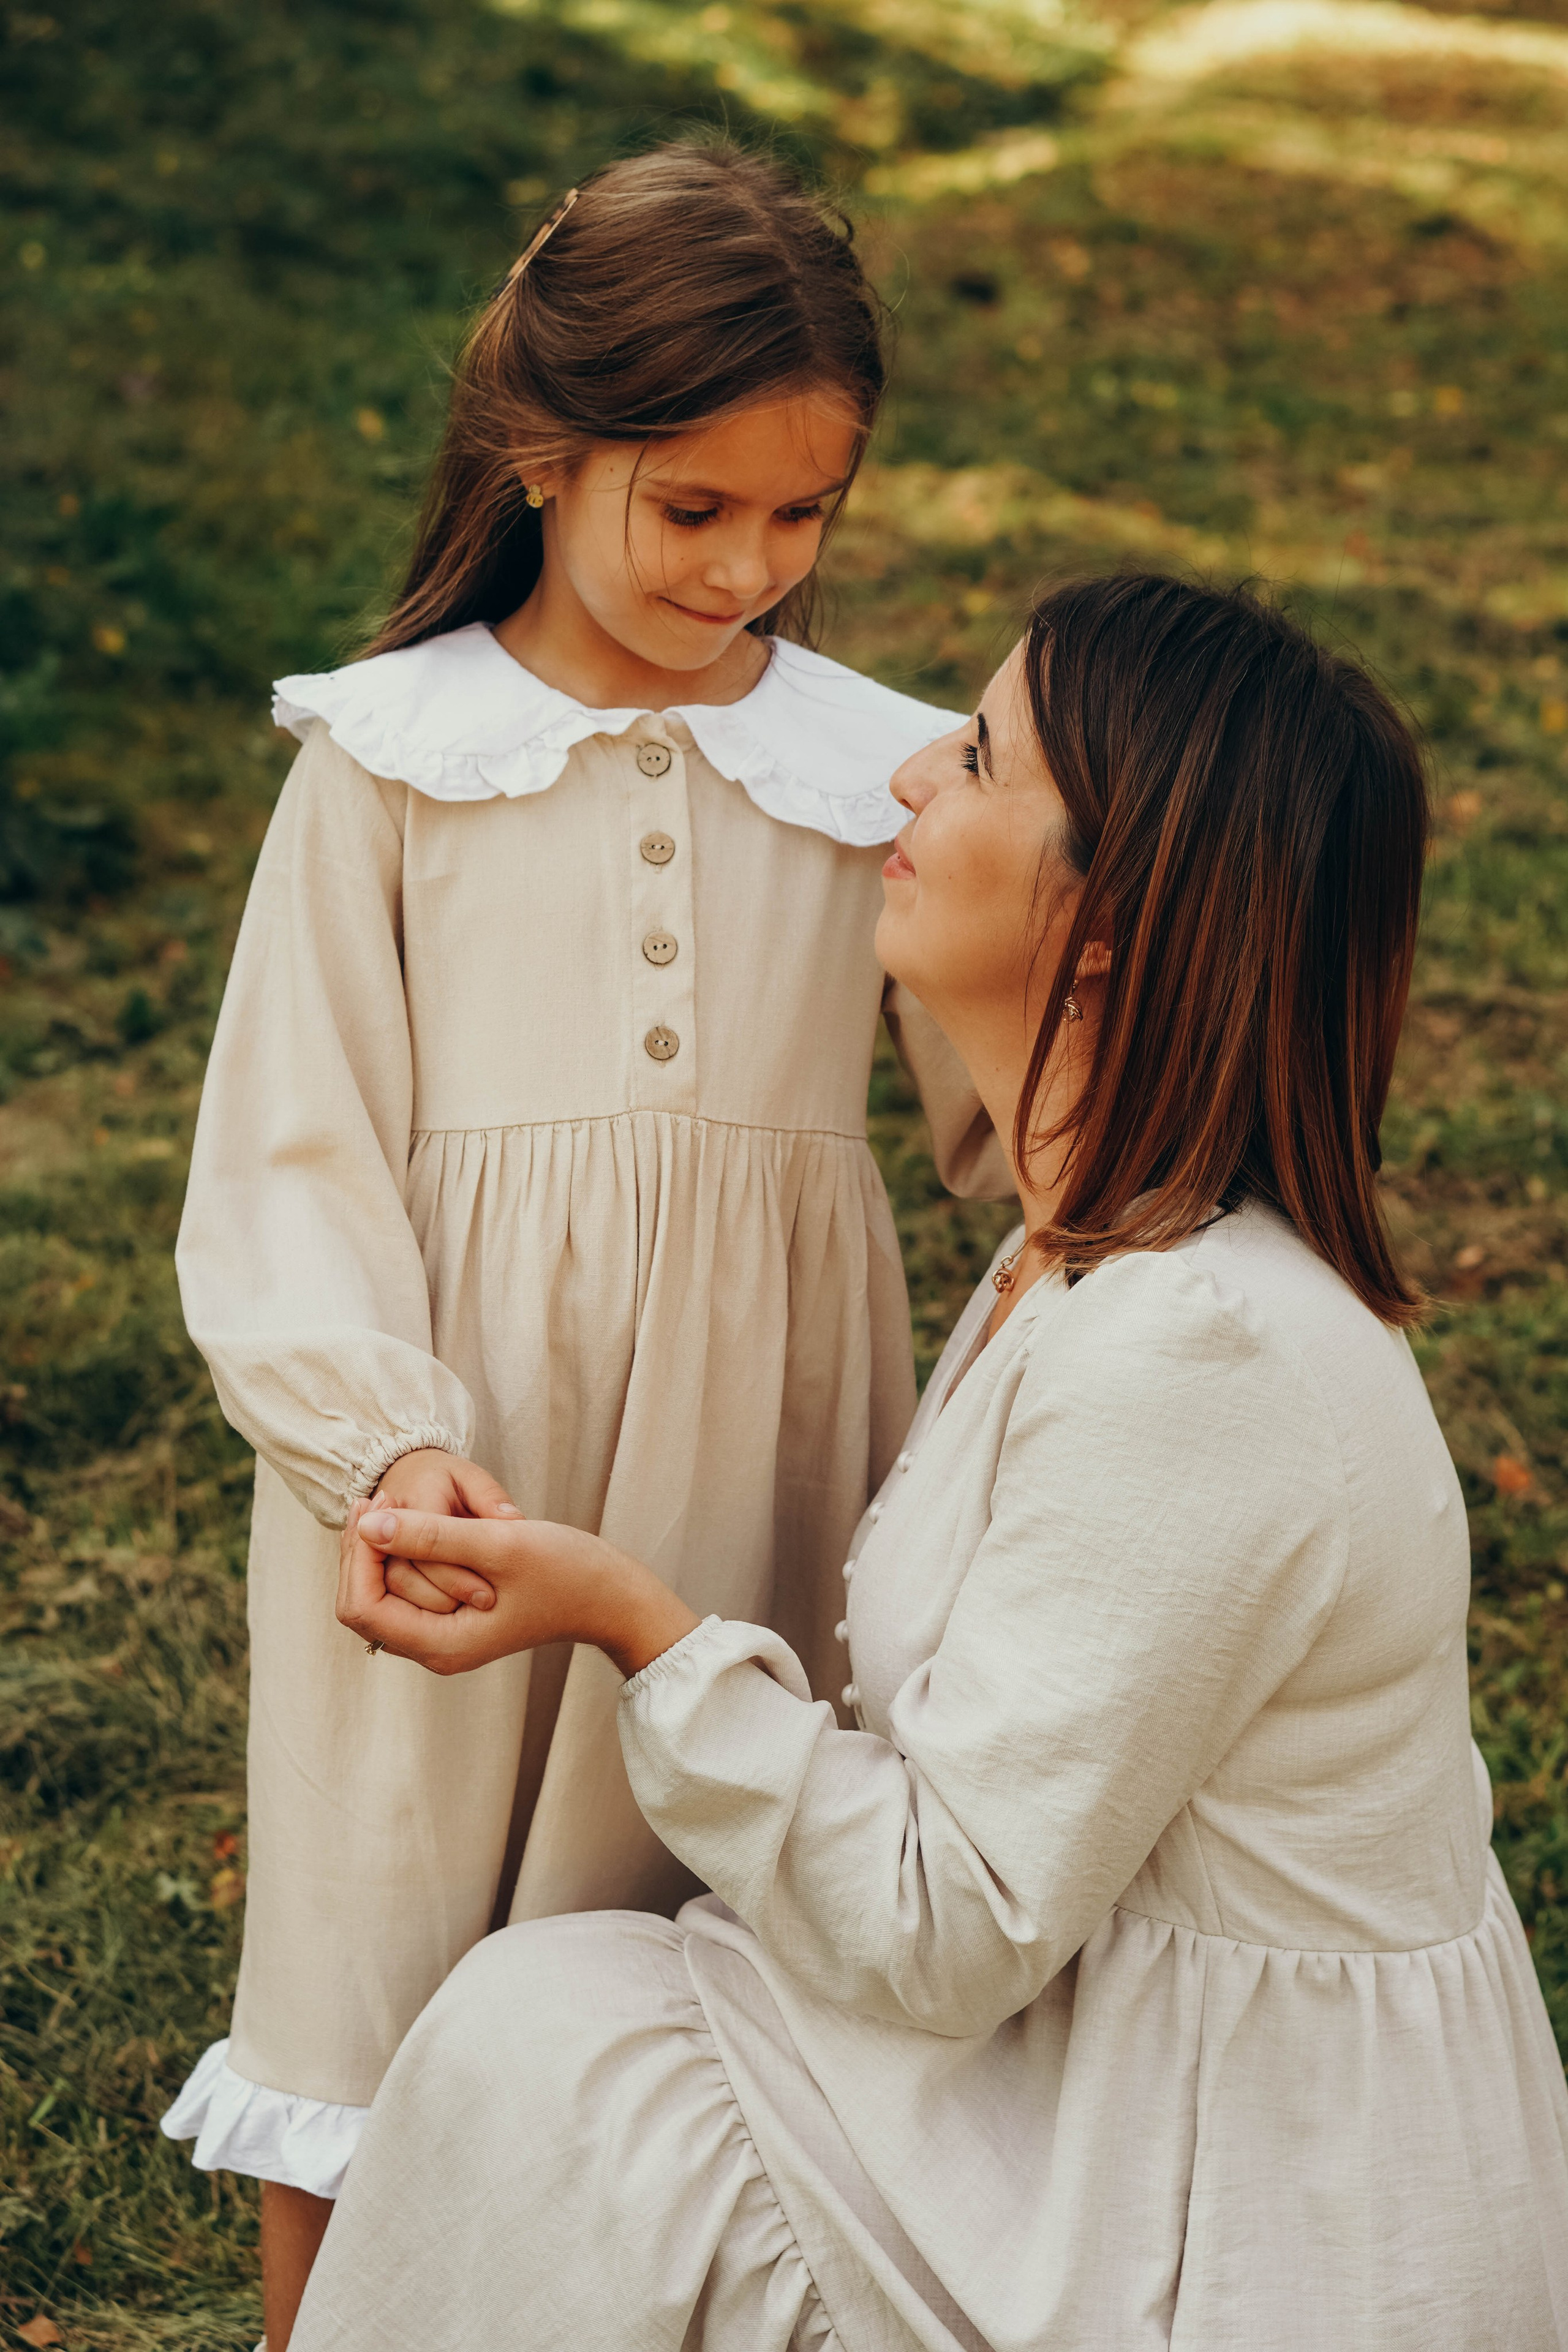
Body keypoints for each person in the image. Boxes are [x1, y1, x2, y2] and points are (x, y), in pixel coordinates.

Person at [294, 574, 1568, 2352]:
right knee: (562, 2028)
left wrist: (638, 1625)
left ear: (1108, 916)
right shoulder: (1085, 1254)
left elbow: (947, 1923)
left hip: (1239, 2199)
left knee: (564, 2069)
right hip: (1103, 2065)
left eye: (977, 759)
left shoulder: (1199, 1348)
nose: (907, 785)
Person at [159, 140, 1005, 2349]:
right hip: (459, 1477)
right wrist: (381, 1444)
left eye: (802, 515)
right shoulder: (393, 761)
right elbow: (291, 1153)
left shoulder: (880, 780)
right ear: (542, 455)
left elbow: (1015, 1118)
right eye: (694, 508)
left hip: (769, 1460)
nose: (750, 569)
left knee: (703, 1940)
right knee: (380, 1969)